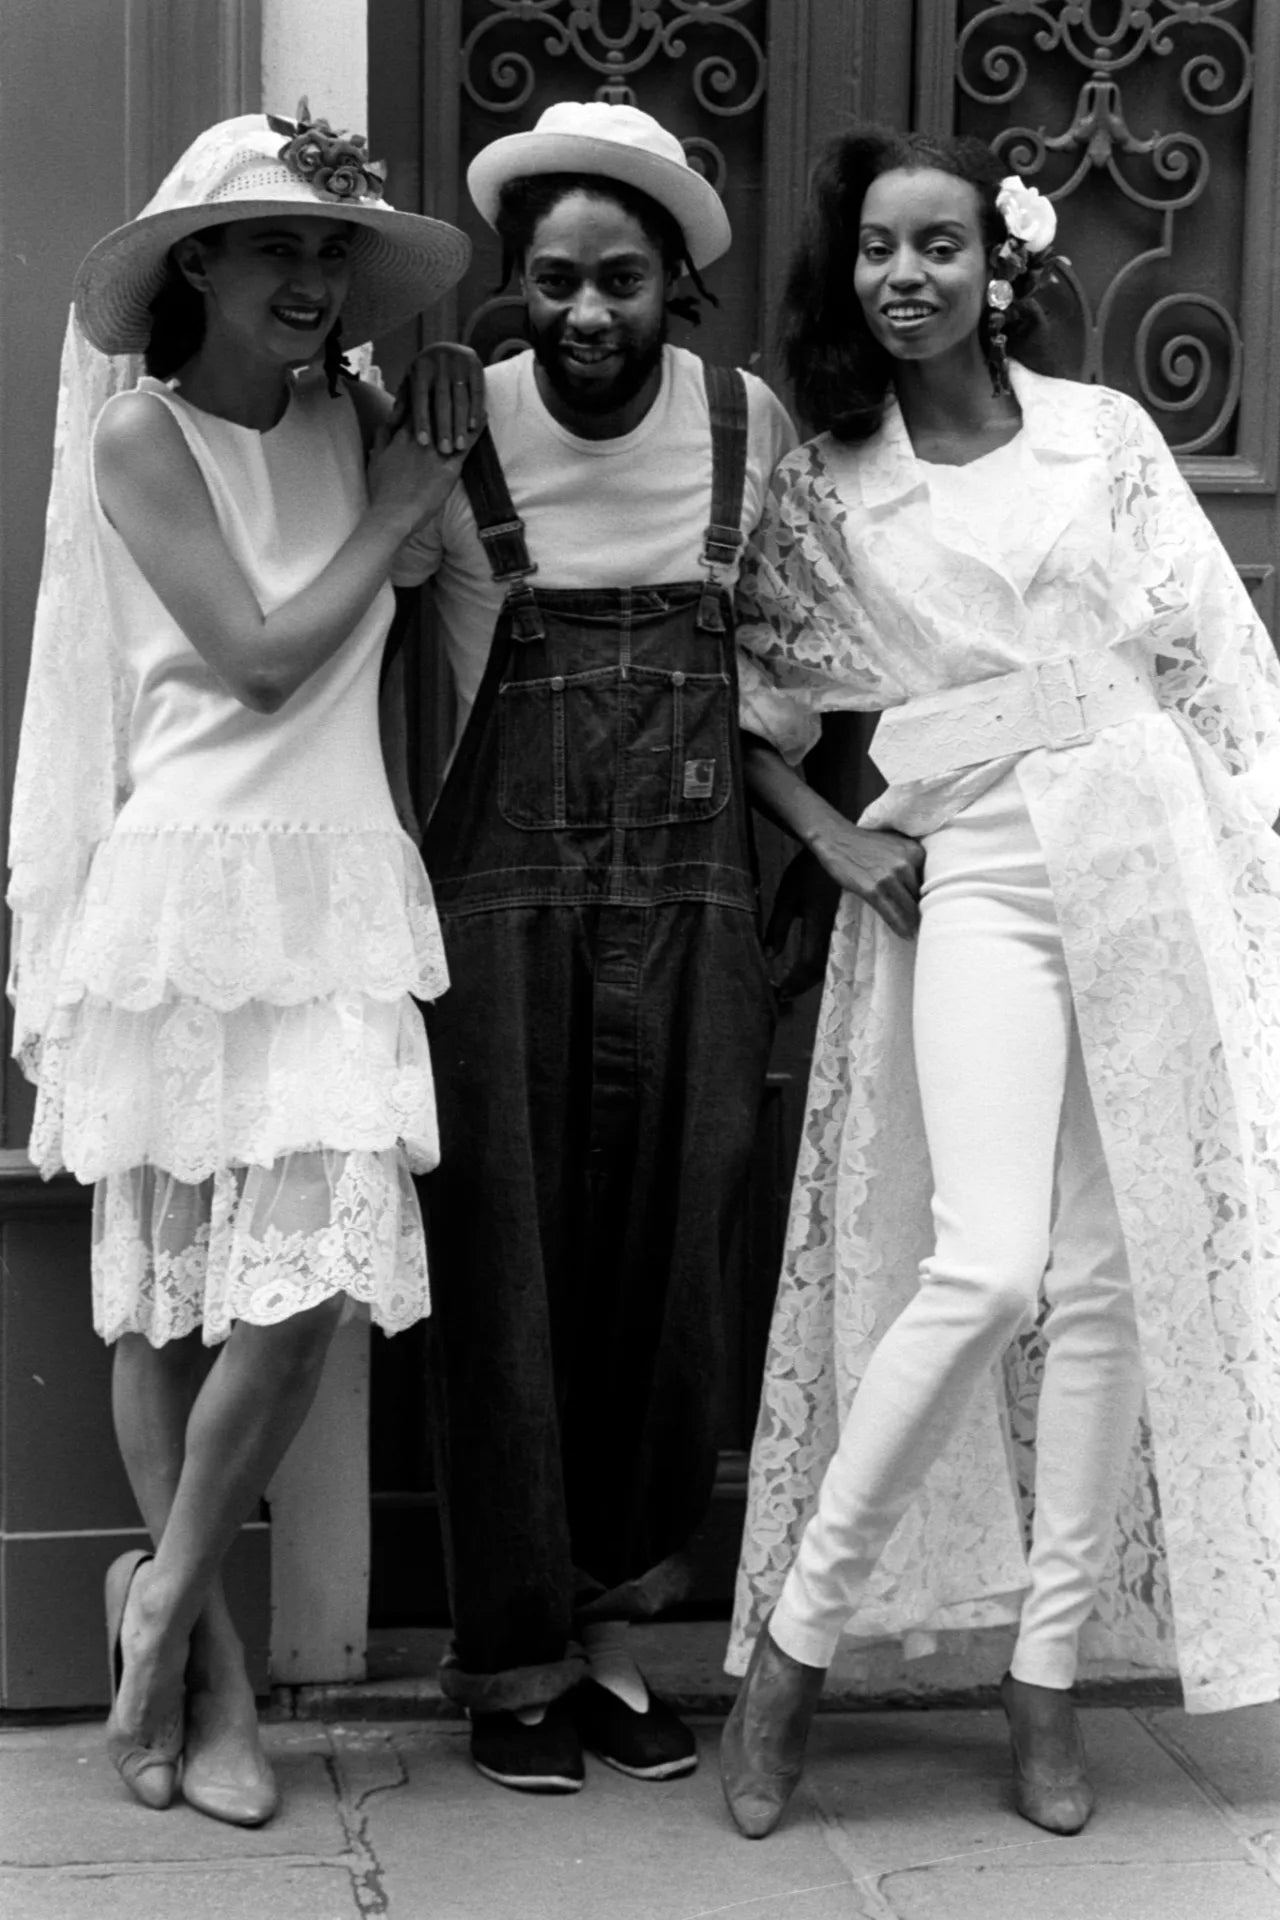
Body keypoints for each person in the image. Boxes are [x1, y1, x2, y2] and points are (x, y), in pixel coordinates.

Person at [717, 128, 1280, 1840]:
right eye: (880, 248)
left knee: (1107, 1286)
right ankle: (792, 1650)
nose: (908, 275)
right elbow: (754, 701)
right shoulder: (827, 480)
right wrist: (831, 837)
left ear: (998, 267)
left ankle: (1047, 1682)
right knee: (986, 1264)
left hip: (1146, 846)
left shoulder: (1103, 438)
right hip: (976, 862)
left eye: (940, 247)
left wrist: (1253, 869)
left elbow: (1212, 660)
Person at [6, 106, 482, 1825]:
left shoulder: (366, 414)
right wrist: (404, 501)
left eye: (331, 250)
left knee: (300, 1295)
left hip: (343, 888)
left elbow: (443, 597)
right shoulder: (142, 439)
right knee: (170, 1287)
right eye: (278, 243)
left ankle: (145, 1622)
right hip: (189, 888)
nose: (312, 276)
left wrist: (419, 453)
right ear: (198, 262)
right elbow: (267, 662)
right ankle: (207, 1678)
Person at [391, 100, 795, 1795]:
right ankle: (510, 1663)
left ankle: (618, 1628)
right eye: (553, 278)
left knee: (670, 1258)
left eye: (619, 280)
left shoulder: (745, 428)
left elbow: (797, 651)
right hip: (501, 903)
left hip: (699, 903)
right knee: (505, 1265)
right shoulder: (437, 424)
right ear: (514, 281)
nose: (583, 314)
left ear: (674, 286)